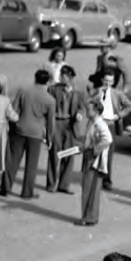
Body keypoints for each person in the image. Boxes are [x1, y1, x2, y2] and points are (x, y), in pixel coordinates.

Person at [1, 69, 57, 199]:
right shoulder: (50, 100)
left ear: (35, 78)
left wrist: (11, 126)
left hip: (19, 129)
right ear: (47, 82)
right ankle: (27, 192)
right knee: (31, 165)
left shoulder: (24, 90)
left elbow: (14, 109)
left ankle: (5, 187)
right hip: (36, 134)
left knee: (12, 161)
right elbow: (50, 122)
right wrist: (49, 138)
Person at [47, 65, 87, 195]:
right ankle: (51, 183)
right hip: (57, 122)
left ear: (70, 78)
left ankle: (64, 185)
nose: (60, 78)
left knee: (69, 154)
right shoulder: (53, 89)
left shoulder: (79, 93)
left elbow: (82, 107)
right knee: (55, 154)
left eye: (63, 76)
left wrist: (80, 114)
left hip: (71, 125)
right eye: (61, 75)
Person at [76, 97, 113, 227]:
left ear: (96, 111)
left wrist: (93, 149)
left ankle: (89, 217)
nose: (86, 111)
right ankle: (89, 216)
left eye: (89, 109)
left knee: (90, 189)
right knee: (89, 188)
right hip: (89, 157)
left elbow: (108, 139)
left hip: (93, 159)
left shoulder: (99, 124)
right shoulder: (92, 122)